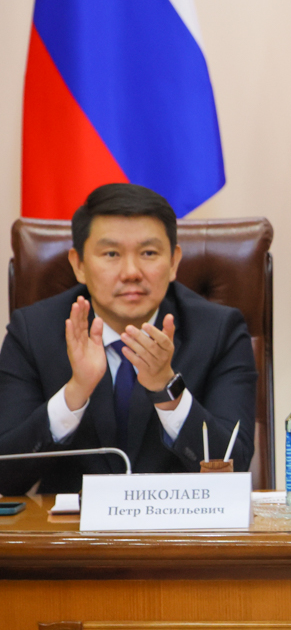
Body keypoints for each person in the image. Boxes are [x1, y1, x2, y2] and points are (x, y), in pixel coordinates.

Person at [0, 184, 257, 495]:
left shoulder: (219, 331)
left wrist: (167, 389)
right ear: (79, 264)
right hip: (71, 525)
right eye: (111, 254)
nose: (131, 272)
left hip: (179, 522)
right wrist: (75, 392)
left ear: (174, 262)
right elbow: (6, 477)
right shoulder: (33, 331)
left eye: (148, 253)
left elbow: (233, 468)